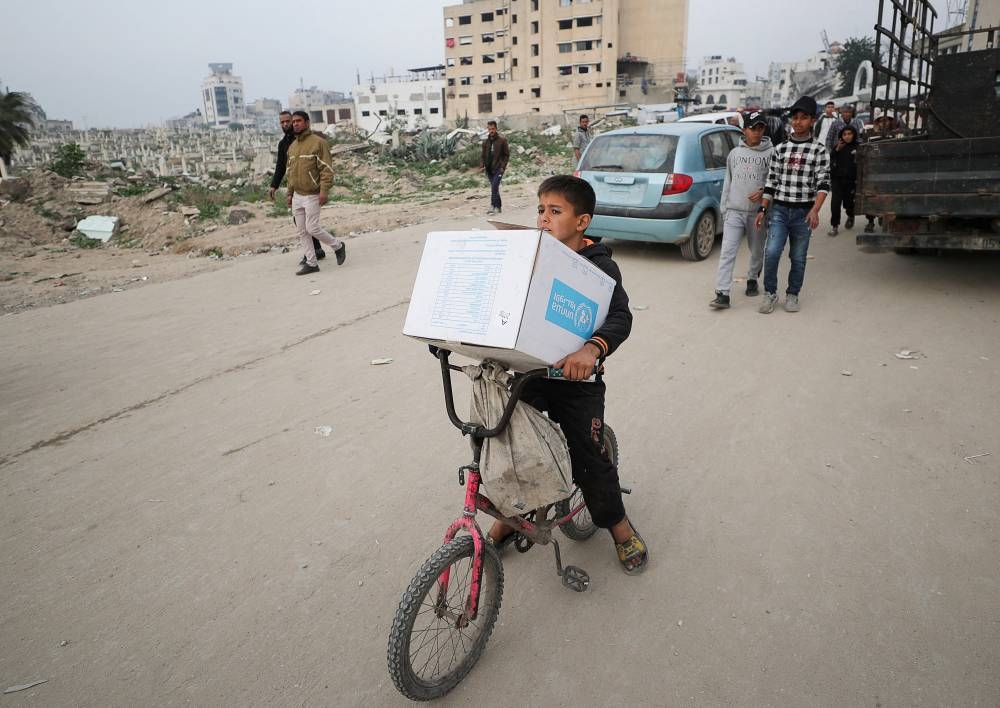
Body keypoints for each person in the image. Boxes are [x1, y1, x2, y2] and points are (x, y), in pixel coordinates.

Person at [486, 175, 647, 575]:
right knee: (518, 448)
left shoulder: (600, 267)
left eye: (555, 211)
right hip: (530, 374)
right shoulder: (532, 257)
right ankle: (511, 518)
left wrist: (592, 349)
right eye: (540, 210)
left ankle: (620, 528)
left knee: (590, 460)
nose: (543, 219)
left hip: (577, 384)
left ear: (582, 221)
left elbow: (621, 316)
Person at [754, 95, 831, 314]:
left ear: (812, 120)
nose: (797, 122)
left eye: (803, 118)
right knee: (772, 252)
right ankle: (770, 293)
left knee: (797, 257)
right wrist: (762, 208)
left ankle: (792, 294)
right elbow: (772, 181)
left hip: (803, 213)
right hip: (779, 210)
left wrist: (815, 210)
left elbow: (823, 183)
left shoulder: (819, 151)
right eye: (795, 118)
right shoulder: (781, 149)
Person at [710, 110, 775, 309]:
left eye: (760, 128)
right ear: (744, 130)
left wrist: (763, 191)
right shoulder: (735, 154)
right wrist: (724, 209)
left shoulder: (771, 153)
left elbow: (776, 181)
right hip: (734, 211)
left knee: (756, 250)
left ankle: (753, 278)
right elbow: (728, 182)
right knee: (727, 252)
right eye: (752, 128)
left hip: (758, 213)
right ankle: (722, 293)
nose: (756, 132)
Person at [285, 111, 346, 275]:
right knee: (302, 231)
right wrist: (289, 193)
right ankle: (311, 263)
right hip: (297, 195)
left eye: (298, 121)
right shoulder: (293, 147)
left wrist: (324, 190)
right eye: (293, 121)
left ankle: (337, 246)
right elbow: (290, 172)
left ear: (307, 122)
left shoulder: (318, 143)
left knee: (312, 228)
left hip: (312, 194)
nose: (295, 124)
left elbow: (327, 169)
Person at [269, 110, 325, 264]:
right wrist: (274, 185)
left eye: (289, 121)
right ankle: (314, 251)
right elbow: (281, 167)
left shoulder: (305, 139)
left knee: (310, 224)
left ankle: (323, 249)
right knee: (300, 221)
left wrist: (323, 187)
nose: (286, 124)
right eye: (283, 122)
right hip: (295, 187)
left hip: (310, 186)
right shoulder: (283, 144)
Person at [827, 124, 859, 236]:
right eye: (845, 134)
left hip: (851, 181)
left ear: (854, 134)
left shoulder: (858, 146)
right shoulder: (839, 146)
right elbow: (830, 158)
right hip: (837, 179)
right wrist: (836, 150)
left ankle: (851, 215)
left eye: (849, 134)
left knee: (849, 203)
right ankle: (834, 226)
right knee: (835, 203)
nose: (847, 136)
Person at [480, 120, 509, 215]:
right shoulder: (485, 142)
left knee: (494, 187)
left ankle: (492, 206)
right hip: (489, 169)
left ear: (496, 129)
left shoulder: (502, 141)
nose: (491, 131)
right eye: (489, 129)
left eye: (493, 129)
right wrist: (482, 165)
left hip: (498, 168)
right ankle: (499, 207)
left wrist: (503, 167)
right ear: (487, 129)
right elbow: (483, 155)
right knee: (494, 187)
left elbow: (506, 155)